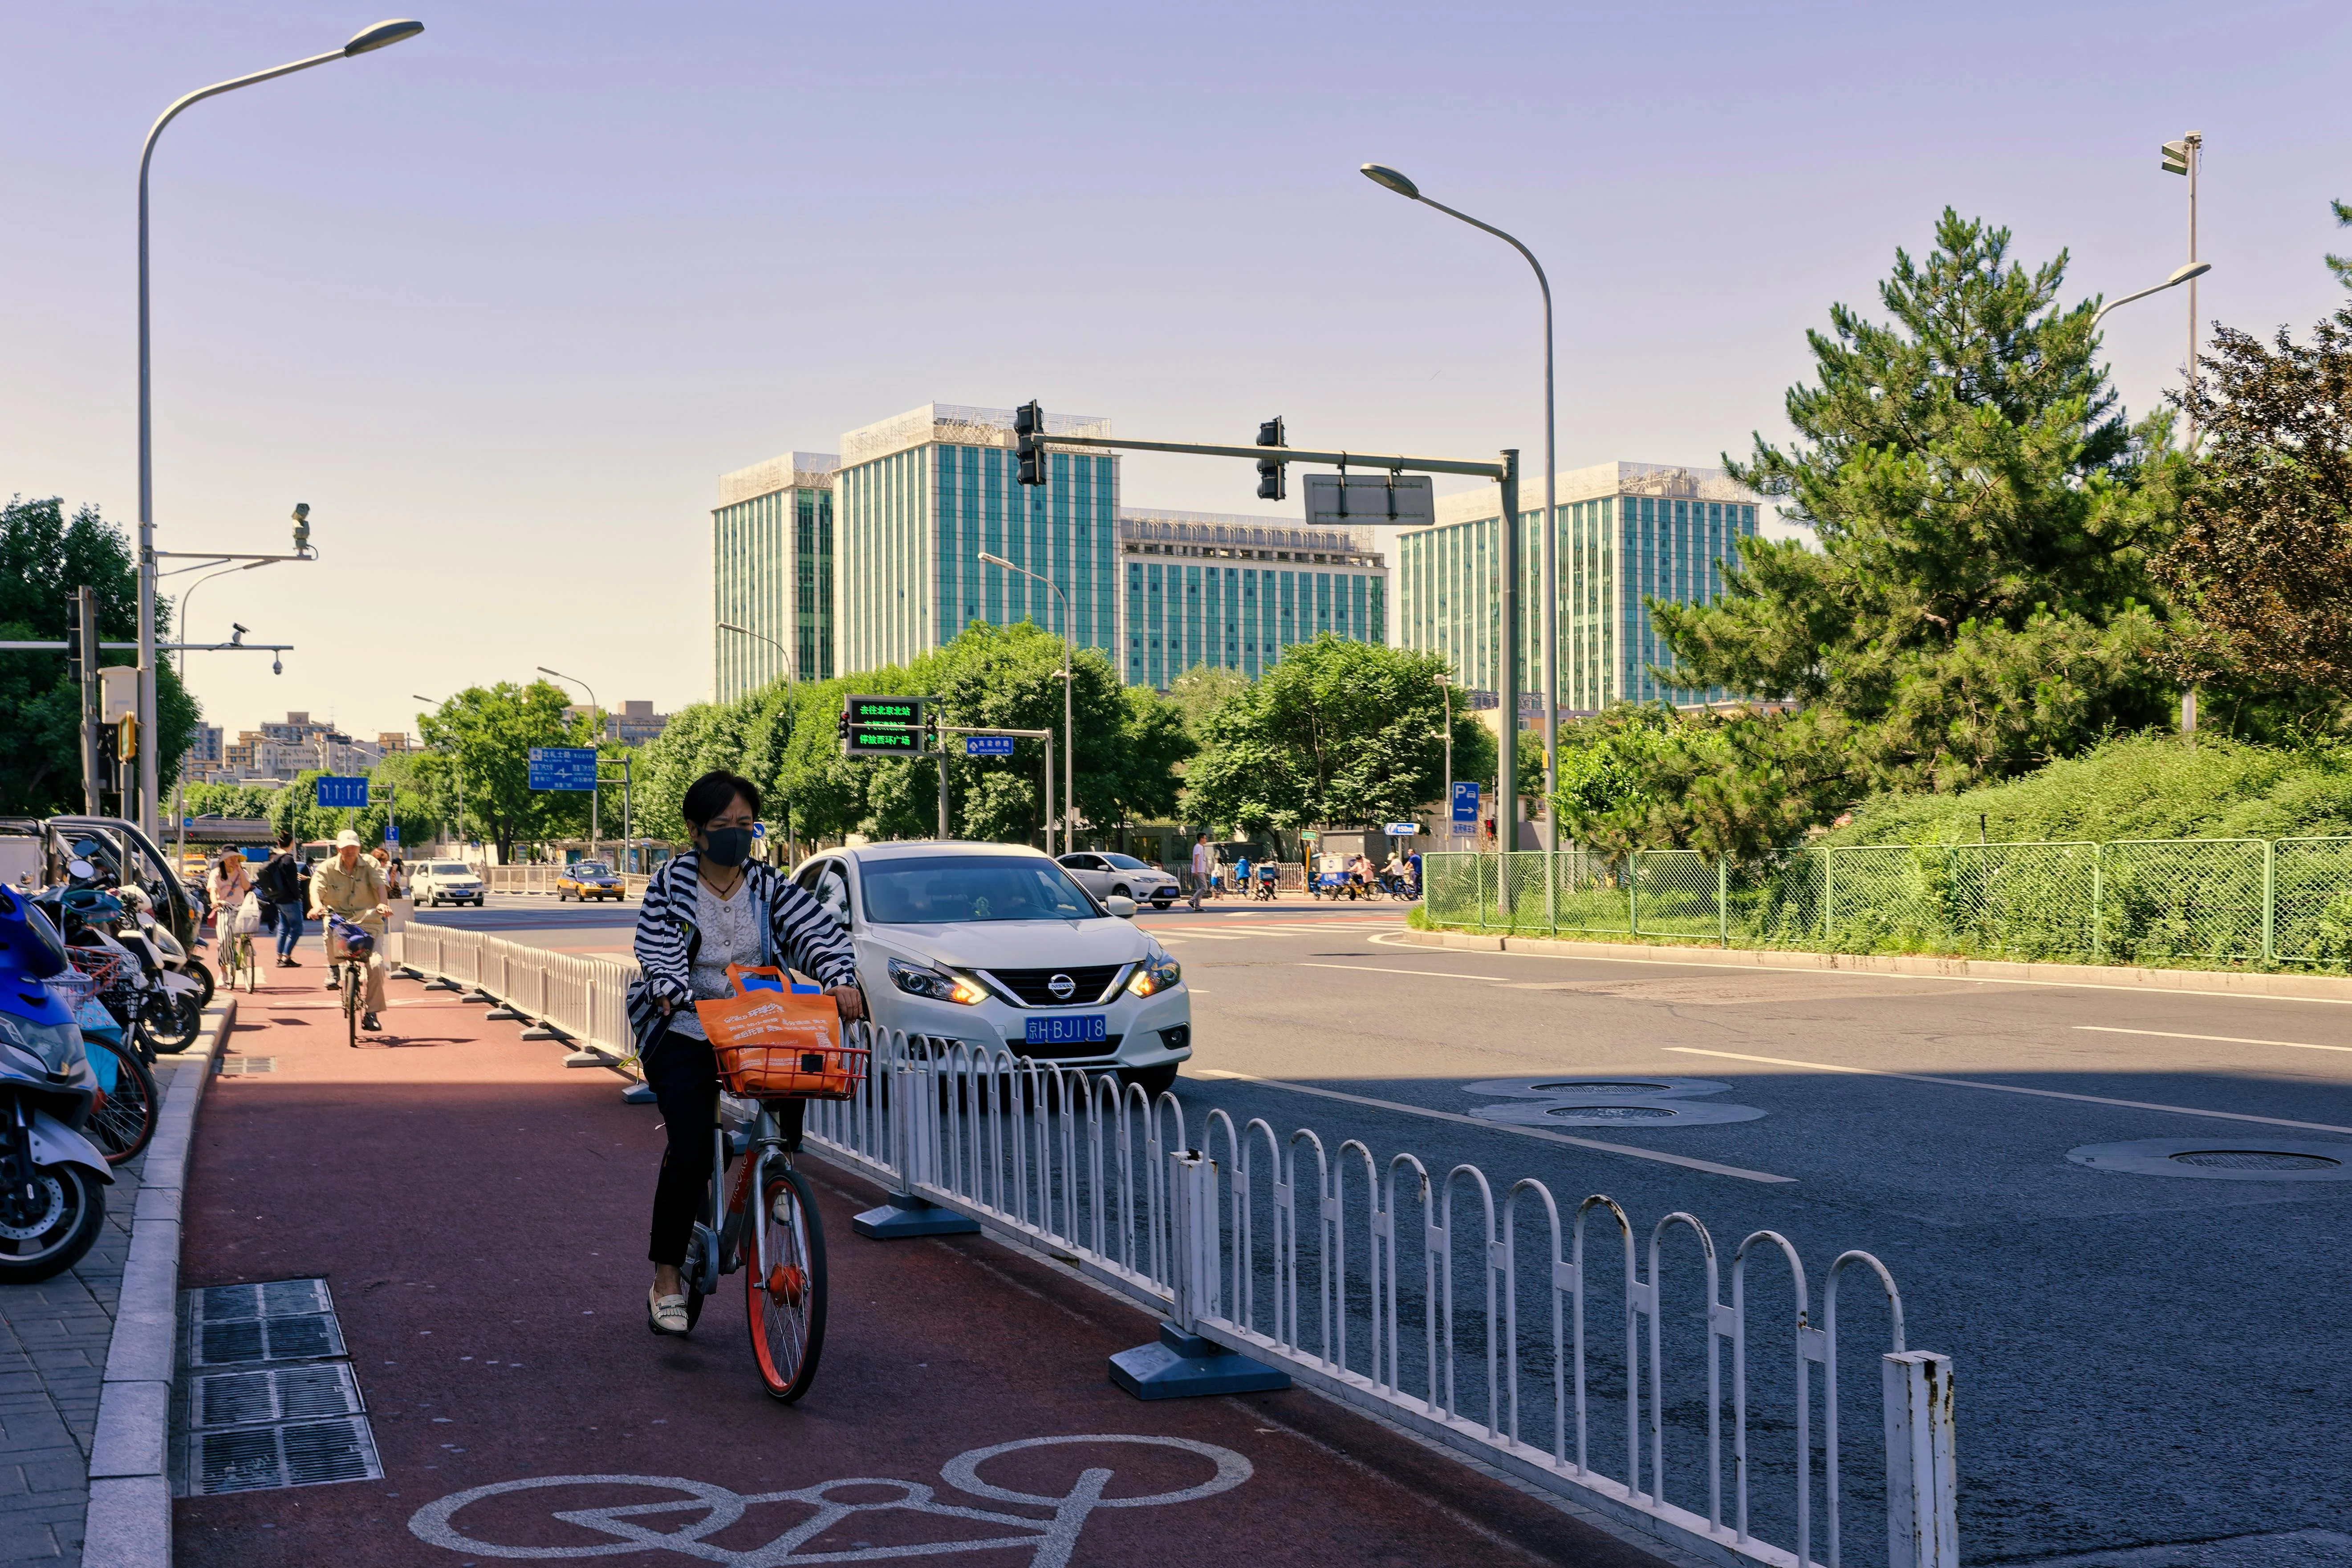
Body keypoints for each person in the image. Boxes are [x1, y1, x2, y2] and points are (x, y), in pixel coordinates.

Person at [627, 770, 862, 1339]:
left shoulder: (768, 883)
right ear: (695, 832)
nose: (735, 835)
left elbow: (816, 933)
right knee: (688, 1147)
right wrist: (669, 985)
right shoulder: (671, 884)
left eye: (744, 824)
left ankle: (775, 1167)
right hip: (681, 1023)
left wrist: (840, 977)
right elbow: (657, 951)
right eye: (722, 826)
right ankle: (665, 1281)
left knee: (799, 1061)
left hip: (753, 1022)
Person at [310, 829, 391, 1031]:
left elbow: (380, 886)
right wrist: (316, 906)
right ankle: (334, 968)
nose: (350, 851)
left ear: (359, 848)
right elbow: (316, 889)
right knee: (329, 928)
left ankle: (371, 1014)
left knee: (377, 964)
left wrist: (382, 904)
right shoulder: (327, 867)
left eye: (353, 847)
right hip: (339, 921)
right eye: (346, 848)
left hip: (368, 923)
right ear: (338, 849)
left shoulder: (370, 864)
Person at [257, 835, 306, 967]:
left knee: (283, 928)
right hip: (290, 899)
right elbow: (291, 883)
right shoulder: (289, 860)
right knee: (297, 929)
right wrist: (298, 896)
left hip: (278, 898)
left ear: (278, 843)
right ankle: (286, 956)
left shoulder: (275, 859)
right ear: (291, 843)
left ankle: (279, 957)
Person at [206, 850, 254, 931]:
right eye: (230, 857)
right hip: (224, 908)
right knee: (224, 938)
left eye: (236, 857)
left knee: (246, 936)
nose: (234, 860)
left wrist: (240, 871)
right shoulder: (216, 873)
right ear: (224, 859)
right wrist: (215, 903)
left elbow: (246, 887)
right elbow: (213, 891)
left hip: (240, 908)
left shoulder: (243, 872)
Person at [1187, 833, 1212, 911]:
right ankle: (1192, 900)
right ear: (1201, 839)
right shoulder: (1199, 847)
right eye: (1205, 838)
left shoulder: (1200, 847)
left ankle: (1197, 907)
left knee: (1200, 888)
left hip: (1200, 870)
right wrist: (1196, 870)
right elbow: (1196, 858)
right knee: (1204, 887)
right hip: (1199, 871)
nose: (1206, 839)